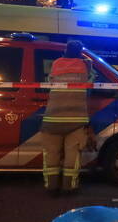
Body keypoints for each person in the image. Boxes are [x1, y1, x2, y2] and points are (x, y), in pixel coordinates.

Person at [39, 40, 93, 195]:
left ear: (65, 51)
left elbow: (50, 80)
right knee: (72, 156)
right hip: (76, 119)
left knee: (51, 155)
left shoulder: (56, 64)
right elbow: (92, 80)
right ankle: (69, 188)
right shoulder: (85, 65)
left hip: (52, 118)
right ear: (80, 52)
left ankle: (51, 187)